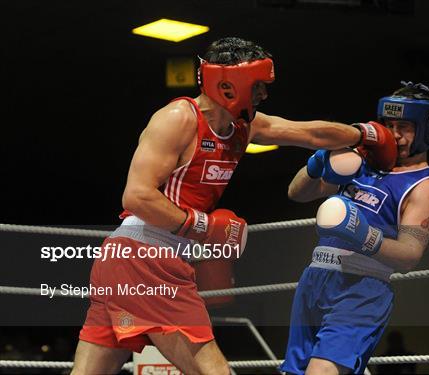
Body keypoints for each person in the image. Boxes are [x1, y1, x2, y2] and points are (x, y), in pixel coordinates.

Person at [71, 37, 387, 375]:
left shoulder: (244, 127)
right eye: (258, 87)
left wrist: (364, 134)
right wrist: (204, 227)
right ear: (230, 85)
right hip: (145, 257)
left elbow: (309, 134)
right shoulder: (178, 118)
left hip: (133, 260)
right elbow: (136, 196)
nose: (263, 95)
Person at [282, 82, 429, 375]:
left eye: (405, 126)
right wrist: (318, 163)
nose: (394, 134)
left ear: (427, 129)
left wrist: (364, 235)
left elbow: (409, 255)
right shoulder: (362, 163)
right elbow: (297, 192)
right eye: (389, 124)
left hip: (362, 288)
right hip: (315, 278)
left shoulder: (424, 188)